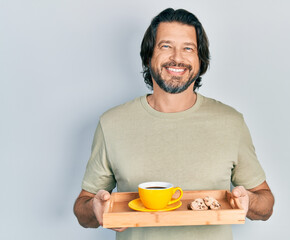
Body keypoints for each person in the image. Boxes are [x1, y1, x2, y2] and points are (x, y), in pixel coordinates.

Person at [73, 8, 274, 240]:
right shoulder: (112, 123)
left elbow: (265, 205)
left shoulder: (231, 122)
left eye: (188, 48)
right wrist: (95, 210)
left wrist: (249, 201)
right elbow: (83, 209)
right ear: (149, 56)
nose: (177, 58)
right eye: (166, 46)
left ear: (201, 60)